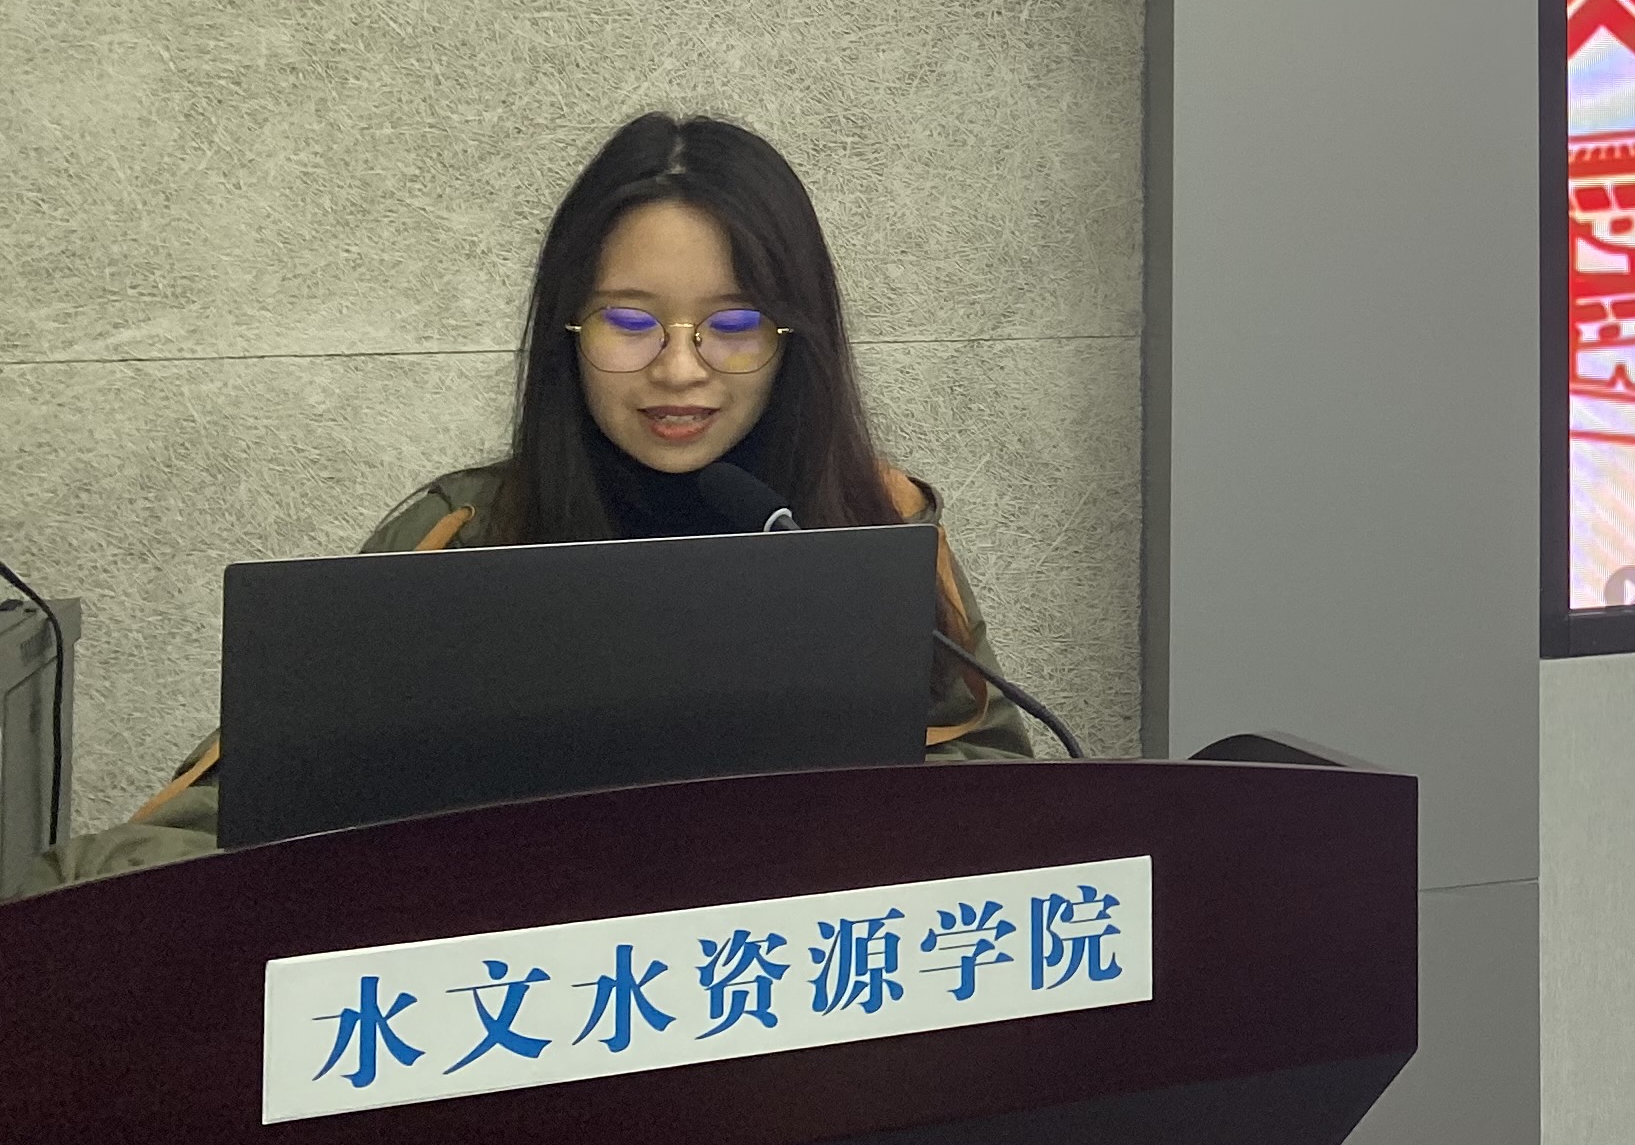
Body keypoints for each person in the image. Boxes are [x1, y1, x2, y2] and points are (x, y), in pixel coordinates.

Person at [47, 113, 1036, 885]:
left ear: (796, 339)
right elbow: (233, 814)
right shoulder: (458, 532)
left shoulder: (878, 522)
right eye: (629, 323)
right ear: (567, 331)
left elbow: (996, 791)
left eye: (734, 324)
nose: (680, 368)